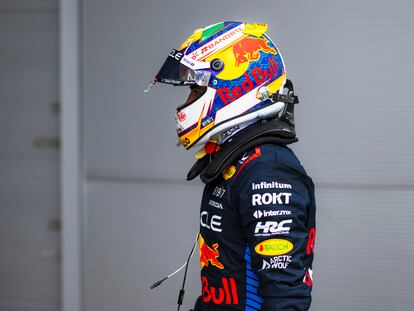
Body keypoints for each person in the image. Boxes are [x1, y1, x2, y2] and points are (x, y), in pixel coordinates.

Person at [147, 21, 316, 311]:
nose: (187, 102)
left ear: (235, 86)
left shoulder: (267, 171)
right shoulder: (237, 161)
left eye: (196, 91)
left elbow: (286, 299)